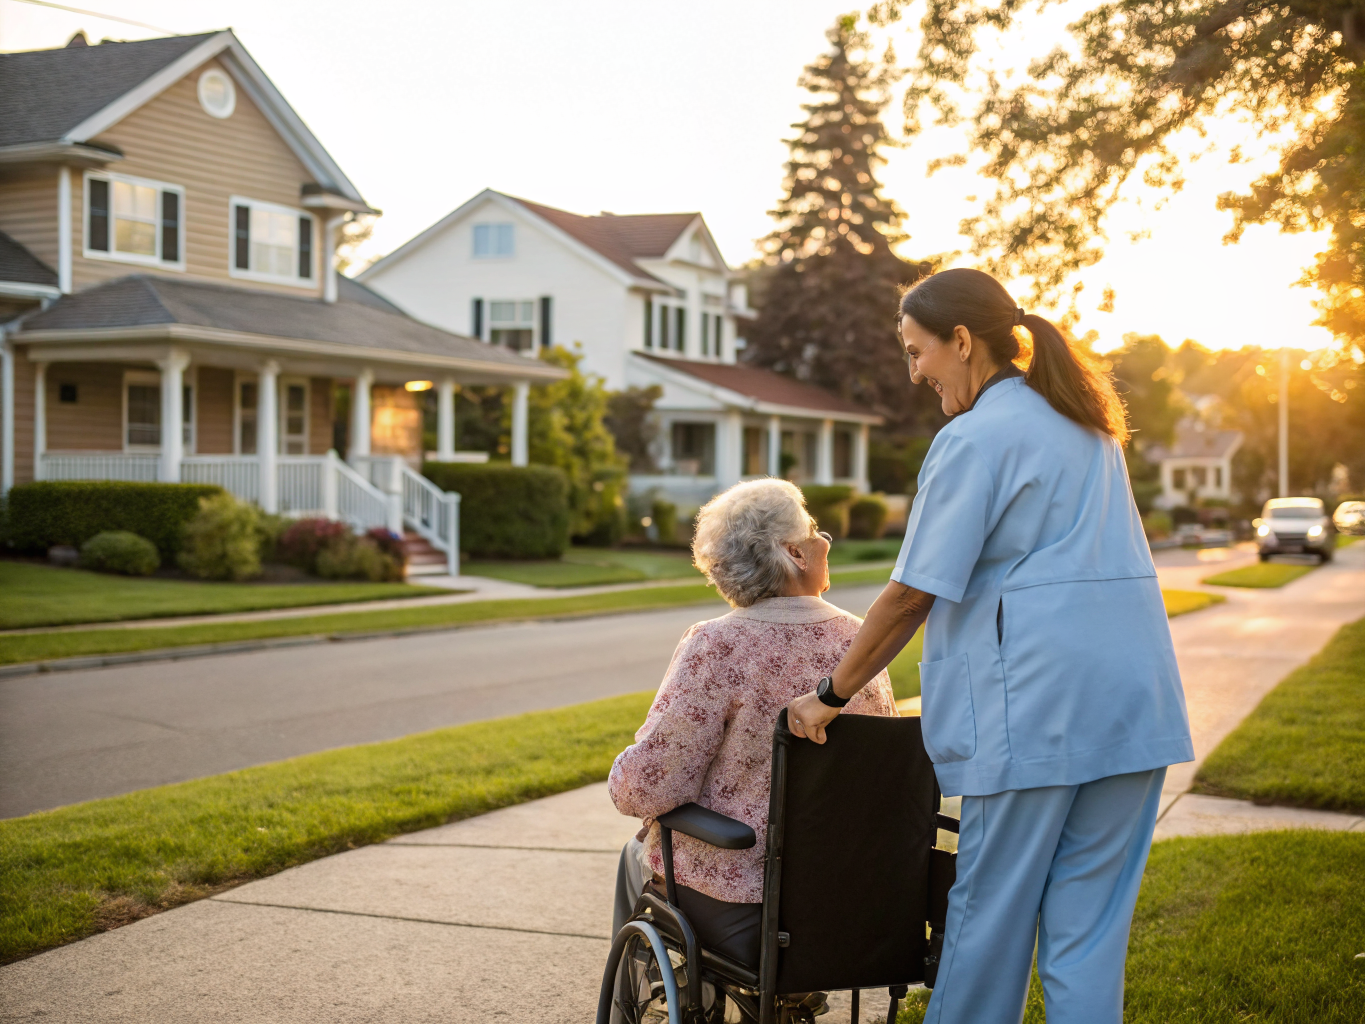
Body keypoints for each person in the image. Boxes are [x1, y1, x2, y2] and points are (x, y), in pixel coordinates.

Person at [787, 268, 1193, 1024]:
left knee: (987, 917)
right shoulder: (1087, 428)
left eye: (917, 352)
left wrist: (828, 695)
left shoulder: (974, 438)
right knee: (1089, 931)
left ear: (962, 341)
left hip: (1038, 711)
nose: (914, 372)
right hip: (1133, 708)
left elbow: (912, 593)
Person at [608, 478, 897, 969]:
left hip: (745, 894)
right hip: (848, 887)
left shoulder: (717, 645)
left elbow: (651, 782)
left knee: (631, 860)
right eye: (815, 533)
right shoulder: (861, 643)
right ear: (796, 555)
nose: (825, 542)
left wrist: (624, 780)